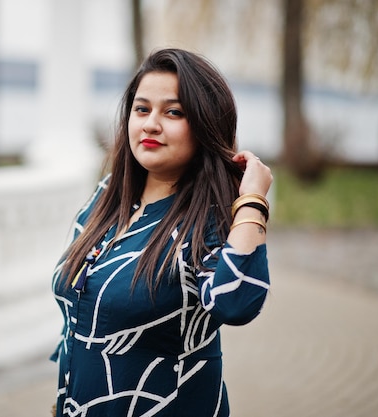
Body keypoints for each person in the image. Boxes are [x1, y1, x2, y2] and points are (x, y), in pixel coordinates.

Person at [50, 48, 273, 417]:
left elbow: (235, 303)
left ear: (205, 125)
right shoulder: (107, 197)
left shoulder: (208, 219)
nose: (151, 124)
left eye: (173, 112)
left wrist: (251, 201)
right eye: (142, 109)